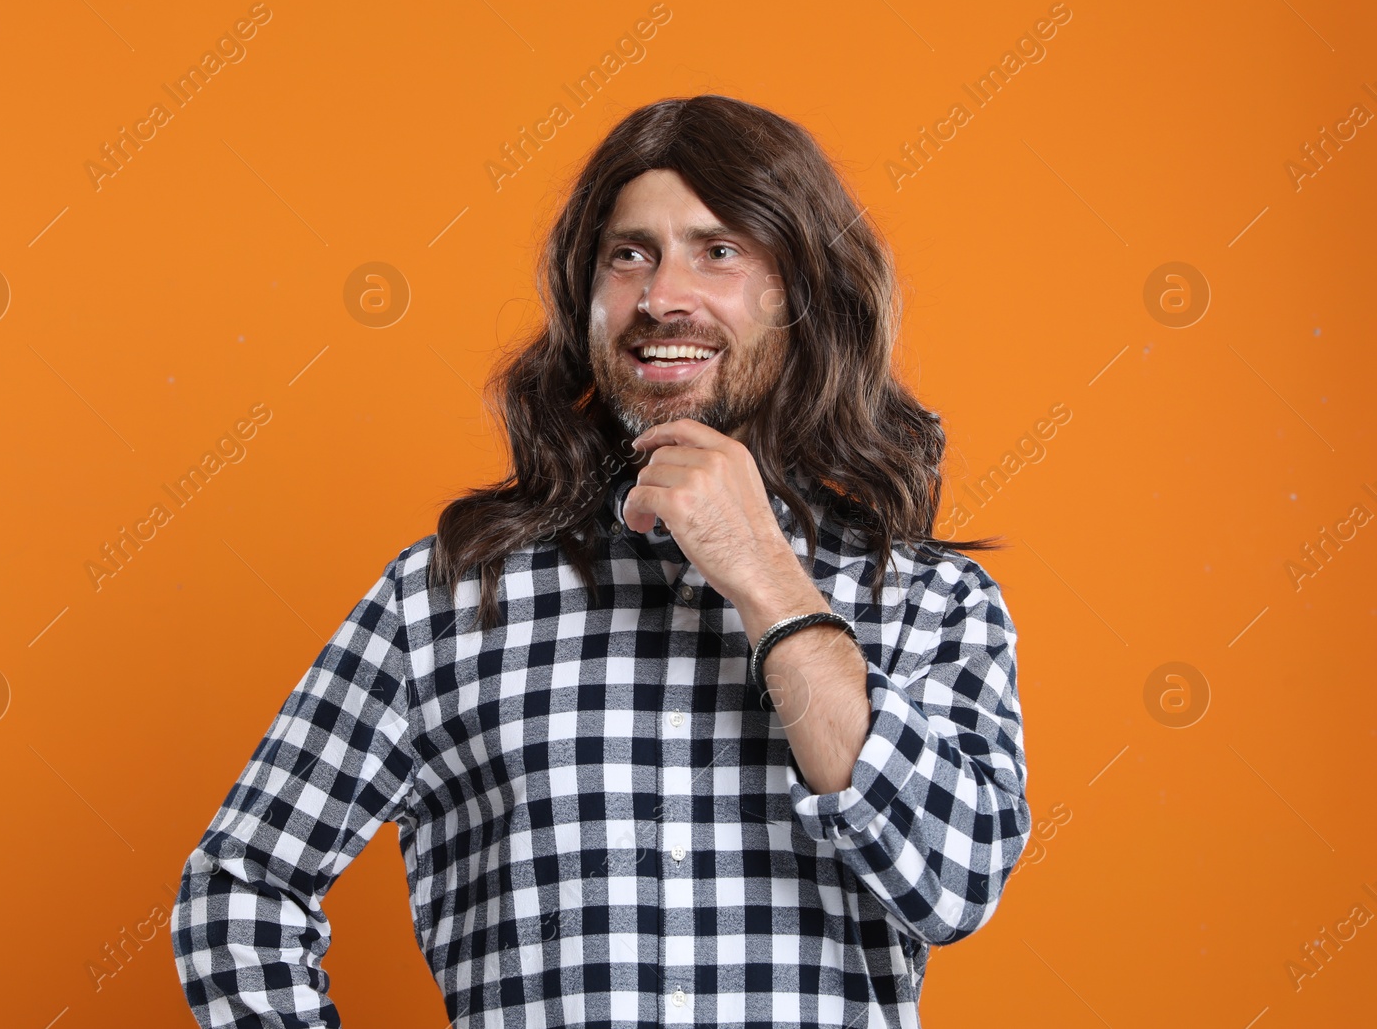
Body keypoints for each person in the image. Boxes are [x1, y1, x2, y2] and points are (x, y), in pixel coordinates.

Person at [171, 93, 1030, 1029]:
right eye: (631, 254)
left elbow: (956, 882)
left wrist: (766, 577)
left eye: (719, 250)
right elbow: (240, 886)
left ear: (802, 294)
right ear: (585, 294)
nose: (663, 296)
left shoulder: (930, 600)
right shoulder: (450, 598)